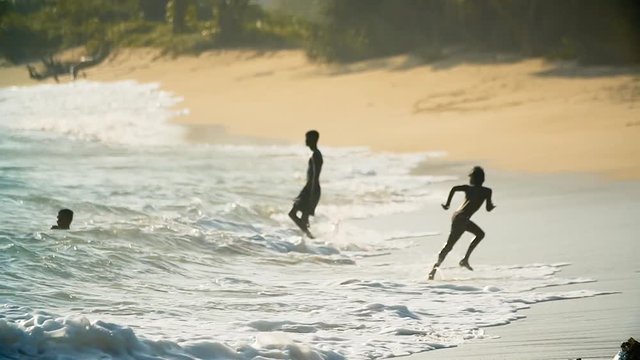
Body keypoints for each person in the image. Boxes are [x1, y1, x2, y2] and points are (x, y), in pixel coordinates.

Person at [428, 166, 496, 280]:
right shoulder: (487, 191)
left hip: (459, 217)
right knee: (451, 245)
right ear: (482, 179)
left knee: (478, 235)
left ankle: (463, 260)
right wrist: (492, 206)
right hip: (462, 218)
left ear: (473, 179)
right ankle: (434, 270)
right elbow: (488, 209)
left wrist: (447, 204)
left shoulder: (469, 189)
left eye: (470, 177)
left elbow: (454, 188)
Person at [289, 130, 323, 238]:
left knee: (293, 214)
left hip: (311, 189)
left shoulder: (316, 155)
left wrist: (311, 194)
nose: (306, 141)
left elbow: (315, 177)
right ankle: (309, 240)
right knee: (303, 218)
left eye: (308, 138)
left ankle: (311, 237)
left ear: (313, 140)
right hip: (309, 188)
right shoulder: (315, 154)